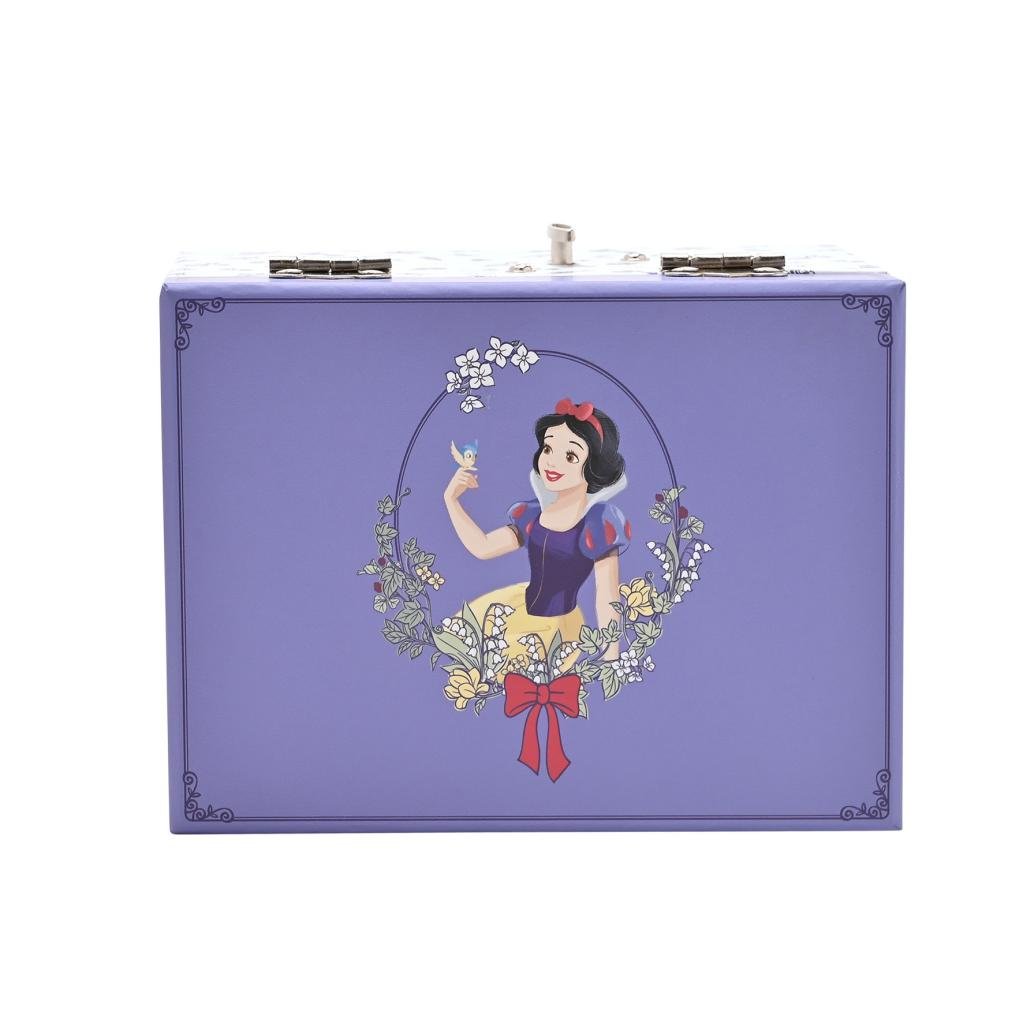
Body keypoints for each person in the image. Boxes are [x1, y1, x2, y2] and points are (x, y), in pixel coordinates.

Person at [443, 397, 631, 673]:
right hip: (517, 610)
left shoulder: (598, 523)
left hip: (556, 628)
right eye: (548, 448)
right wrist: (451, 500)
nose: (552, 462)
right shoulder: (533, 514)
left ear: (593, 468)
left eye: (570, 456)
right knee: (458, 643)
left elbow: (607, 595)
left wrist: (611, 656)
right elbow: (483, 547)